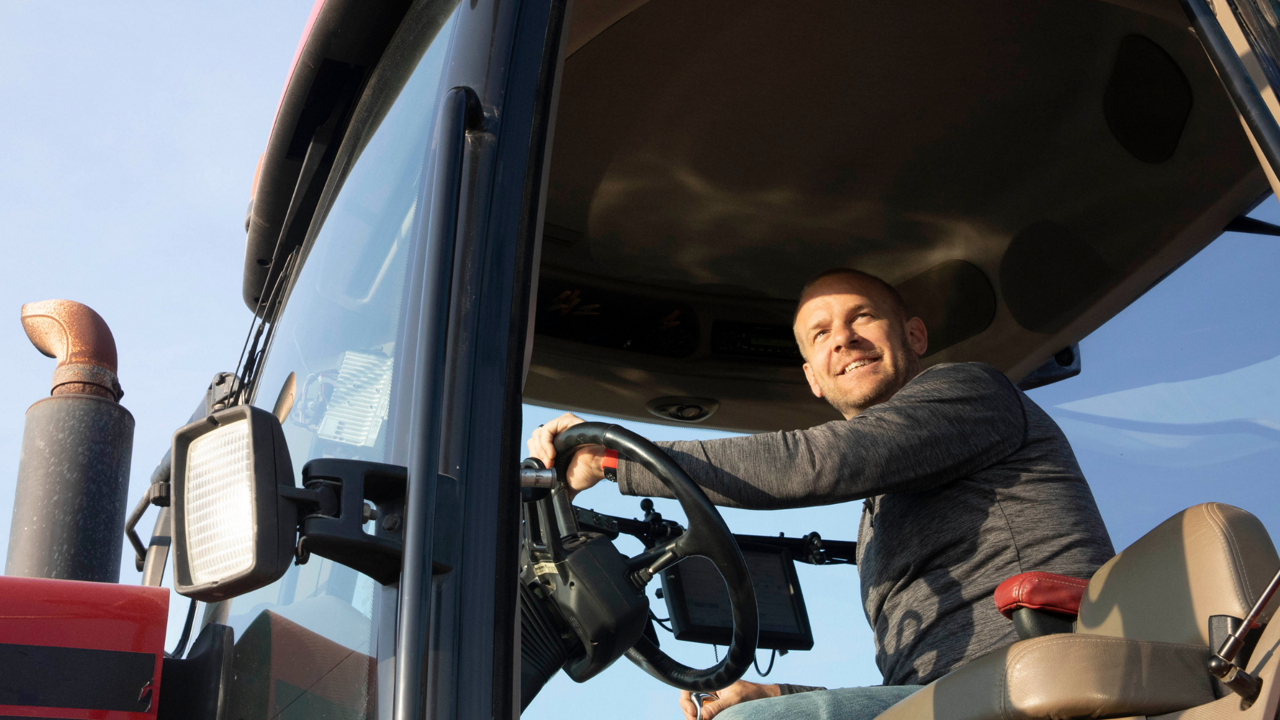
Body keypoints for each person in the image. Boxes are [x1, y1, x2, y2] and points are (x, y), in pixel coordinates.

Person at [527, 268, 1114, 720]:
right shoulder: (878, 517)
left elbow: (817, 461)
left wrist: (611, 458)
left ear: (913, 335)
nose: (844, 339)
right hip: (961, 695)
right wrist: (779, 692)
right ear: (812, 376)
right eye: (821, 333)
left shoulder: (972, 393)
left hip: (1031, 680)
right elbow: (908, 692)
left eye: (862, 318)